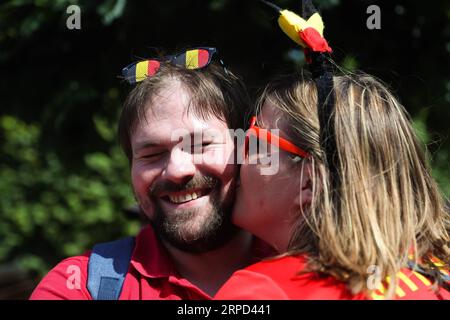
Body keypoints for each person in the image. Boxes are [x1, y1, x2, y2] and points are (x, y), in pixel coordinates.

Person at [214, 1, 450, 300]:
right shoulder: (436, 270)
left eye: (254, 141)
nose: (236, 151)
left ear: (310, 181)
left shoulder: (261, 291)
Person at [30, 47, 270, 300]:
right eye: (152, 154)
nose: (177, 170)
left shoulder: (309, 267)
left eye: (200, 145)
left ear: (248, 149)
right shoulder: (77, 287)